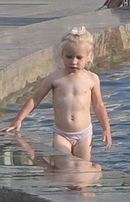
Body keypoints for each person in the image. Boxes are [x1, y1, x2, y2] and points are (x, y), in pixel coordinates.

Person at [7, 27, 111, 160]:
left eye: (79, 58)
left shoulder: (92, 79)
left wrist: (106, 128)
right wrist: (18, 119)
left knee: (83, 169)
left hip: (84, 134)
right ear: (62, 55)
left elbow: (99, 105)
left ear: (88, 57)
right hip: (62, 134)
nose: (73, 61)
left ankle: (94, 172)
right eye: (69, 57)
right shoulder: (55, 78)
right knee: (64, 163)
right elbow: (36, 98)